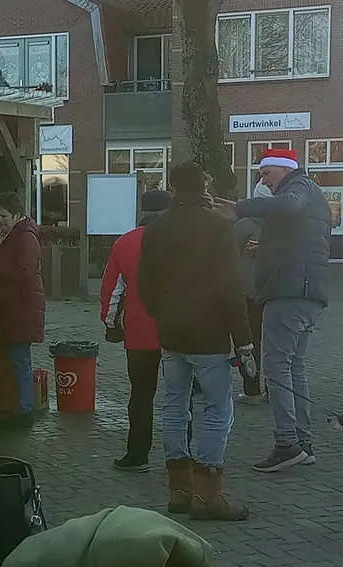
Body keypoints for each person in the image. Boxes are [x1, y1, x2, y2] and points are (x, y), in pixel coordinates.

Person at [138, 161, 254, 520]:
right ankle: (207, 495)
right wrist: (244, 339)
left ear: (173, 187)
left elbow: (145, 283)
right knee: (218, 409)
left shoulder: (156, 228)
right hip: (209, 334)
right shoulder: (218, 227)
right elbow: (230, 287)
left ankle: (180, 490)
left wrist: (162, 314)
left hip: (172, 332)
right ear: (203, 187)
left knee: (175, 405)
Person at [215, 148, 331, 473]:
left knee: (277, 367)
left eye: (266, 173)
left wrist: (239, 207)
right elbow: (297, 236)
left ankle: (286, 443)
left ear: (285, 168)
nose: (263, 180)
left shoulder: (299, 187)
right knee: (294, 367)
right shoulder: (309, 194)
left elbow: (290, 205)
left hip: (289, 292)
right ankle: (302, 442)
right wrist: (265, 250)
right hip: (306, 291)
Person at [100, 189, 171, 471]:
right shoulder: (181, 240)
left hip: (140, 333)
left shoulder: (125, 243)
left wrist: (111, 325)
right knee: (181, 397)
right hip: (179, 331)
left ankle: (137, 455)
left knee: (141, 395)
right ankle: (181, 457)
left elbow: (112, 291)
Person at [0, 190, 46, 423]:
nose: (0, 221)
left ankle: (25, 410)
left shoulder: (26, 237)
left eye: (5, 217)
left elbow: (25, 272)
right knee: (16, 359)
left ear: (17, 215)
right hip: (16, 306)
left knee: (20, 360)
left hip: (23, 306)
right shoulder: (8, 236)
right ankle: (21, 407)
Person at [232, 181, 273, 404]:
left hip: (248, 291)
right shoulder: (285, 226)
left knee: (249, 341)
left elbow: (230, 254)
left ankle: (251, 390)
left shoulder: (244, 225)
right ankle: (275, 390)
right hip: (276, 290)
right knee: (275, 343)